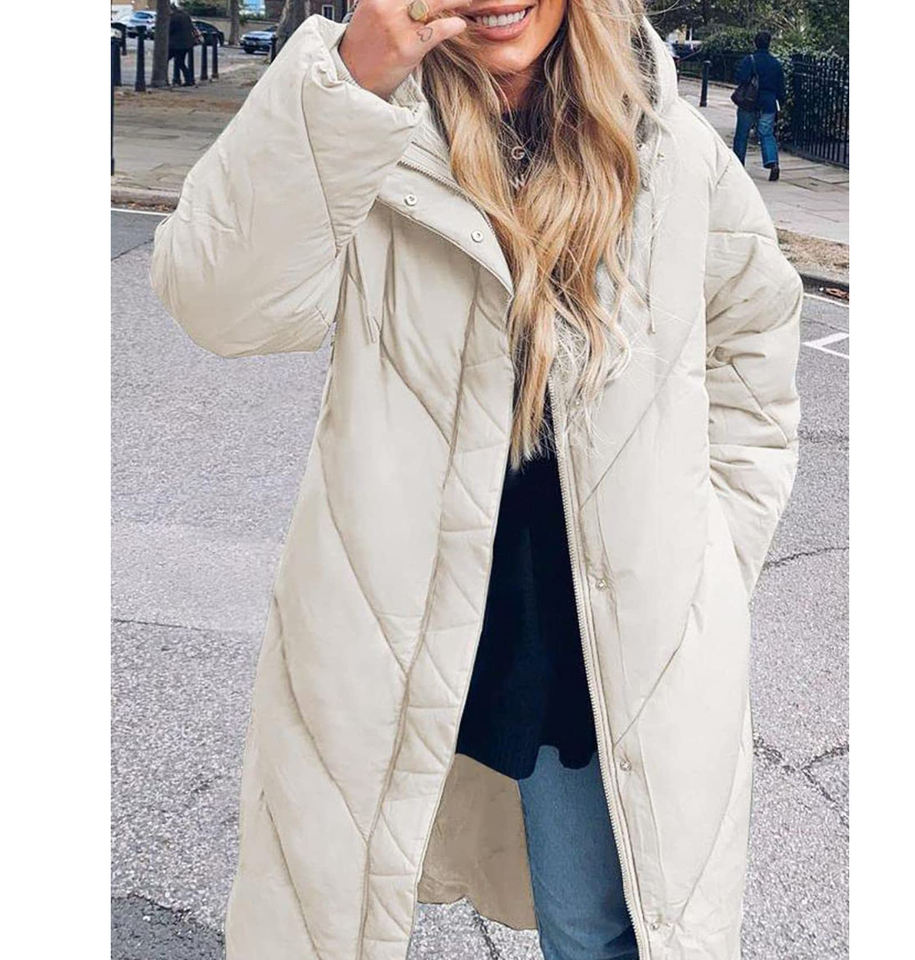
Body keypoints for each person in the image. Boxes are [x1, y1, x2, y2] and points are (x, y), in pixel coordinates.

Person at [151, 4, 802, 959]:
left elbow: (755, 343)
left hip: (603, 651)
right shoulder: (378, 120)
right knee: (328, 924)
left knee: (606, 933)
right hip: (386, 630)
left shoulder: (666, 141)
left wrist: (709, 562)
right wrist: (351, 78)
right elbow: (220, 304)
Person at [733, 30, 786, 180]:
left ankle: (738, 165)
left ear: (755, 43)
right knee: (767, 133)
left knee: (742, 134)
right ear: (769, 44)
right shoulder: (775, 63)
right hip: (768, 103)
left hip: (749, 102)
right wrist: (780, 102)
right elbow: (781, 87)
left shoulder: (749, 60)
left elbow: (740, 78)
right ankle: (773, 163)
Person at [167, 2, 197, 86]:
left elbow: (169, 30)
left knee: (165, 60)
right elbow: (191, 27)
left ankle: (183, 79)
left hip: (176, 44)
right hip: (187, 43)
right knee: (180, 61)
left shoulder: (173, 18)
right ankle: (184, 79)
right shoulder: (185, 15)